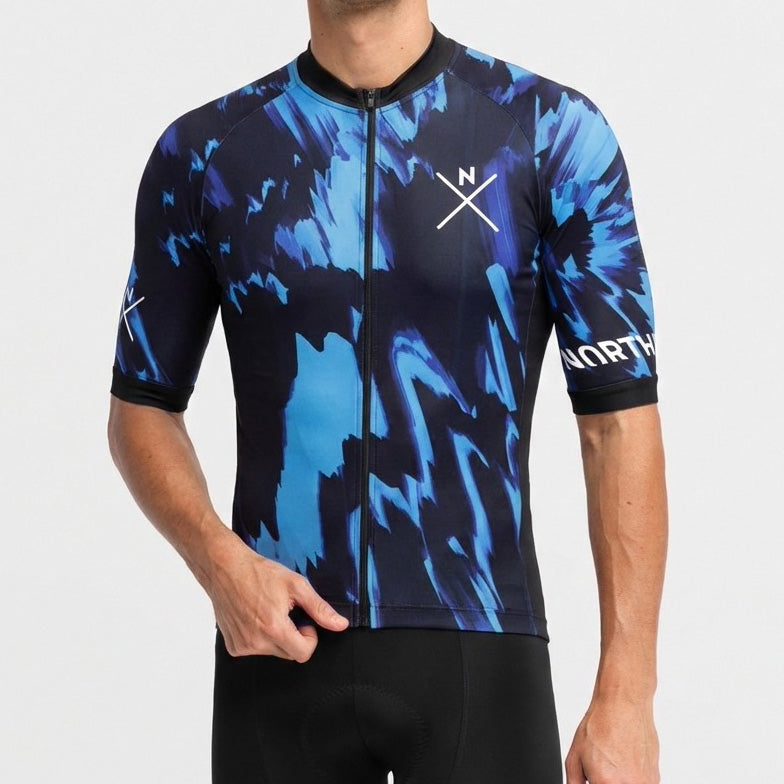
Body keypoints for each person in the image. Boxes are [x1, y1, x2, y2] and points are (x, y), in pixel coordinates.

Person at [107, 1, 668, 782]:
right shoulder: (205, 153)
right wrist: (219, 563)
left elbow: (618, 423)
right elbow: (141, 407)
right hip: (276, 655)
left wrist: (628, 696)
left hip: (481, 649)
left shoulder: (549, 133)